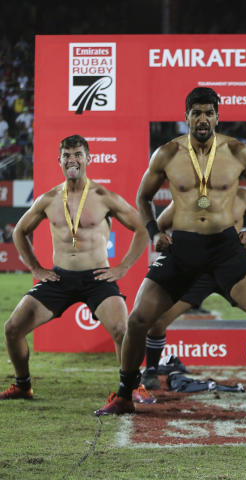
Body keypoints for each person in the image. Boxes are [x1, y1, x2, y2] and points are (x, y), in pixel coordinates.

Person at [95, 87, 246, 416]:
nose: (202, 119)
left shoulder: (238, 151)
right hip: (183, 249)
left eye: (208, 113)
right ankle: (125, 394)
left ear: (217, 116)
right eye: (196, 112)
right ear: (186, 116)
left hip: (226, 249)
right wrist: (155, 231)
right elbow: (143, 197)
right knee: (139, 320)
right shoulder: (167, 154)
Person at [2, 135, 150, 402]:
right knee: (12, 328)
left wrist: (123, 267)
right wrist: (36, 267)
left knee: (122, 330)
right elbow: (20, 232)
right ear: (59, 160)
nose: (72, 160)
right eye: (67, 155)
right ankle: (23, 385)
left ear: (88, 159)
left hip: (97, 279)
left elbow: (141, 228)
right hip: (60, 278)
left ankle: (134, 386)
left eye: (78, 154)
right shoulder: (48, 199)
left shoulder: (104, 196)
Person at [140, 189, 246, 390]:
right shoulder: (188, 195)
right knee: (158, 319)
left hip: (231, 268)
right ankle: (151, 372)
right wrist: (161, 241)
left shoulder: (244, 197)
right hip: (196, 271)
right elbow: (159, 226)